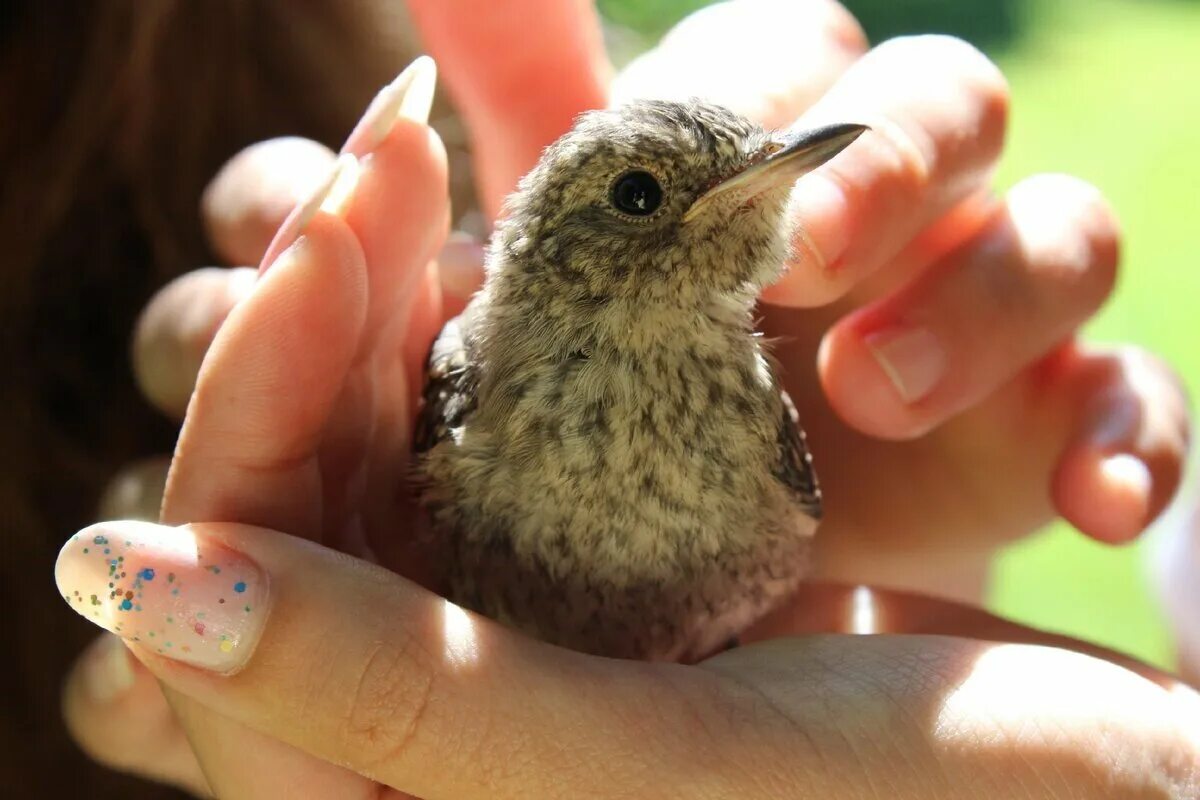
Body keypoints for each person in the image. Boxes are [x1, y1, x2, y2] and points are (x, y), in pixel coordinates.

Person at [47, 1, 1199, 796]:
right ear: (563, 247)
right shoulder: (475, 379)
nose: (745, 196)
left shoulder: (752, 394)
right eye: (644, 196)